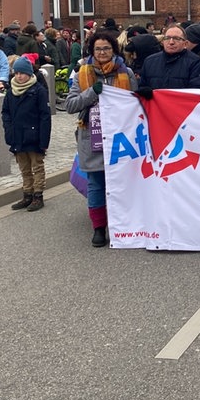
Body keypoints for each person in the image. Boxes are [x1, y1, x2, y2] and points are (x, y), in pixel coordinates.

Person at [65, 31, 146, 247]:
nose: (102, 53)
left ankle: (126, 223)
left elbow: (135, 103)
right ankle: (99, 228)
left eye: (107, 48)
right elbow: (70, 105)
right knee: (96, 183)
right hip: (93, 136)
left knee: (126, 181)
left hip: (122, 137)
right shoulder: (81, 74)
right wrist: (92, 92)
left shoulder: (125, 73)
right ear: (92, 51)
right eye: (98, 49)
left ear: (114, 50)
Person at [2, 56, 52, 212]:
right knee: (24, 167)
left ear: (30, 74)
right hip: (18, 136)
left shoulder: (38, 91)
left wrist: (44, 141)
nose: (19, 76)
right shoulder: (11, 92)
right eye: (16, 73)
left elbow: (45, 116)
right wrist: (8, 129)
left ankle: (38, 195)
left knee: (37, 166)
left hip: (34, 135)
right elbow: (6, 112)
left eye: (22, 73)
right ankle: (27, 193)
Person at [138, 24, 200, 90]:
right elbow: (142, 88)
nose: (171, 42)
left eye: (176, 38)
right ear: (162, 42)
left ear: (185, 43)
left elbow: (198, 91)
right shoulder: (150, 61)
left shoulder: (195, 62)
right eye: (167, 38)